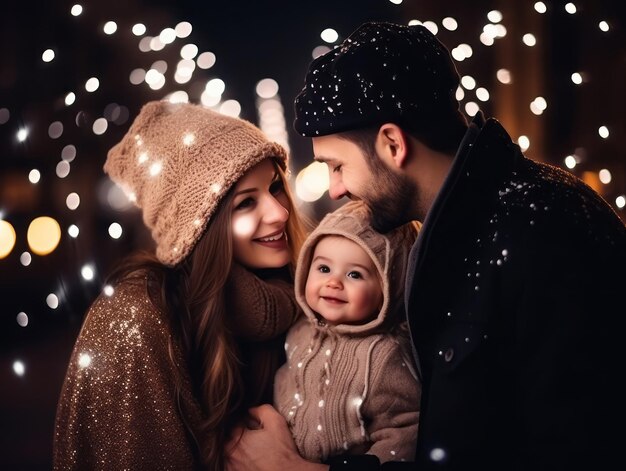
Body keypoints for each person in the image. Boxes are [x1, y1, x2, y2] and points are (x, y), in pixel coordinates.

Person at [226, 21, 626, 470]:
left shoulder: (546, 234)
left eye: (337, 165)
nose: (335, 189)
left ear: (393, 143)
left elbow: (573, 448)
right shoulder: (467, 228)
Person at [53, 100, 308, 470]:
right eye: (245, 204)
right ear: (199, 229)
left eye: (275, 188)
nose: (279, 213)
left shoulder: (313, 295)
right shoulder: (136, 317)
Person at [274, 201, 421, 464]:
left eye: (354, 274)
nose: (333, 282)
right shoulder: (298, 332)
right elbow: (287, 384)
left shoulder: (384, 357)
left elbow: (405, 432)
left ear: (388, 290)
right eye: (323, 268)